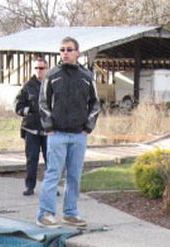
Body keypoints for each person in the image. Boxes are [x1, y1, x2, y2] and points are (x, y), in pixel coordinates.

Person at [36, 37, 100, 229]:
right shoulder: (52, 75)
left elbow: (95, 104)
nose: (65, 53)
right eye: (62, 49)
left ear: (77, 52)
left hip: (79, 136)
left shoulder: (87, 76)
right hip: (57, 135)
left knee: (74, 176)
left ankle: (70, 213)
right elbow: (42, 103)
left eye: (69, 49)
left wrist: (87, 127)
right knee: (53, 174)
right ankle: (45, 214)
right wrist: (50, 128)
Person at [14, 57, 49, 196]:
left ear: (46, 69)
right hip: (31, 129)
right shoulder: (28, 86)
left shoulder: (51, 84)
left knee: (51, 160)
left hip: (48, 130)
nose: (39, 71)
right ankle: (30, 186)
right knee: (31, 159)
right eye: (36, 68)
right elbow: (17, 105)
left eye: (41, 68)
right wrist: (27, 111)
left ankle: (50, 187)